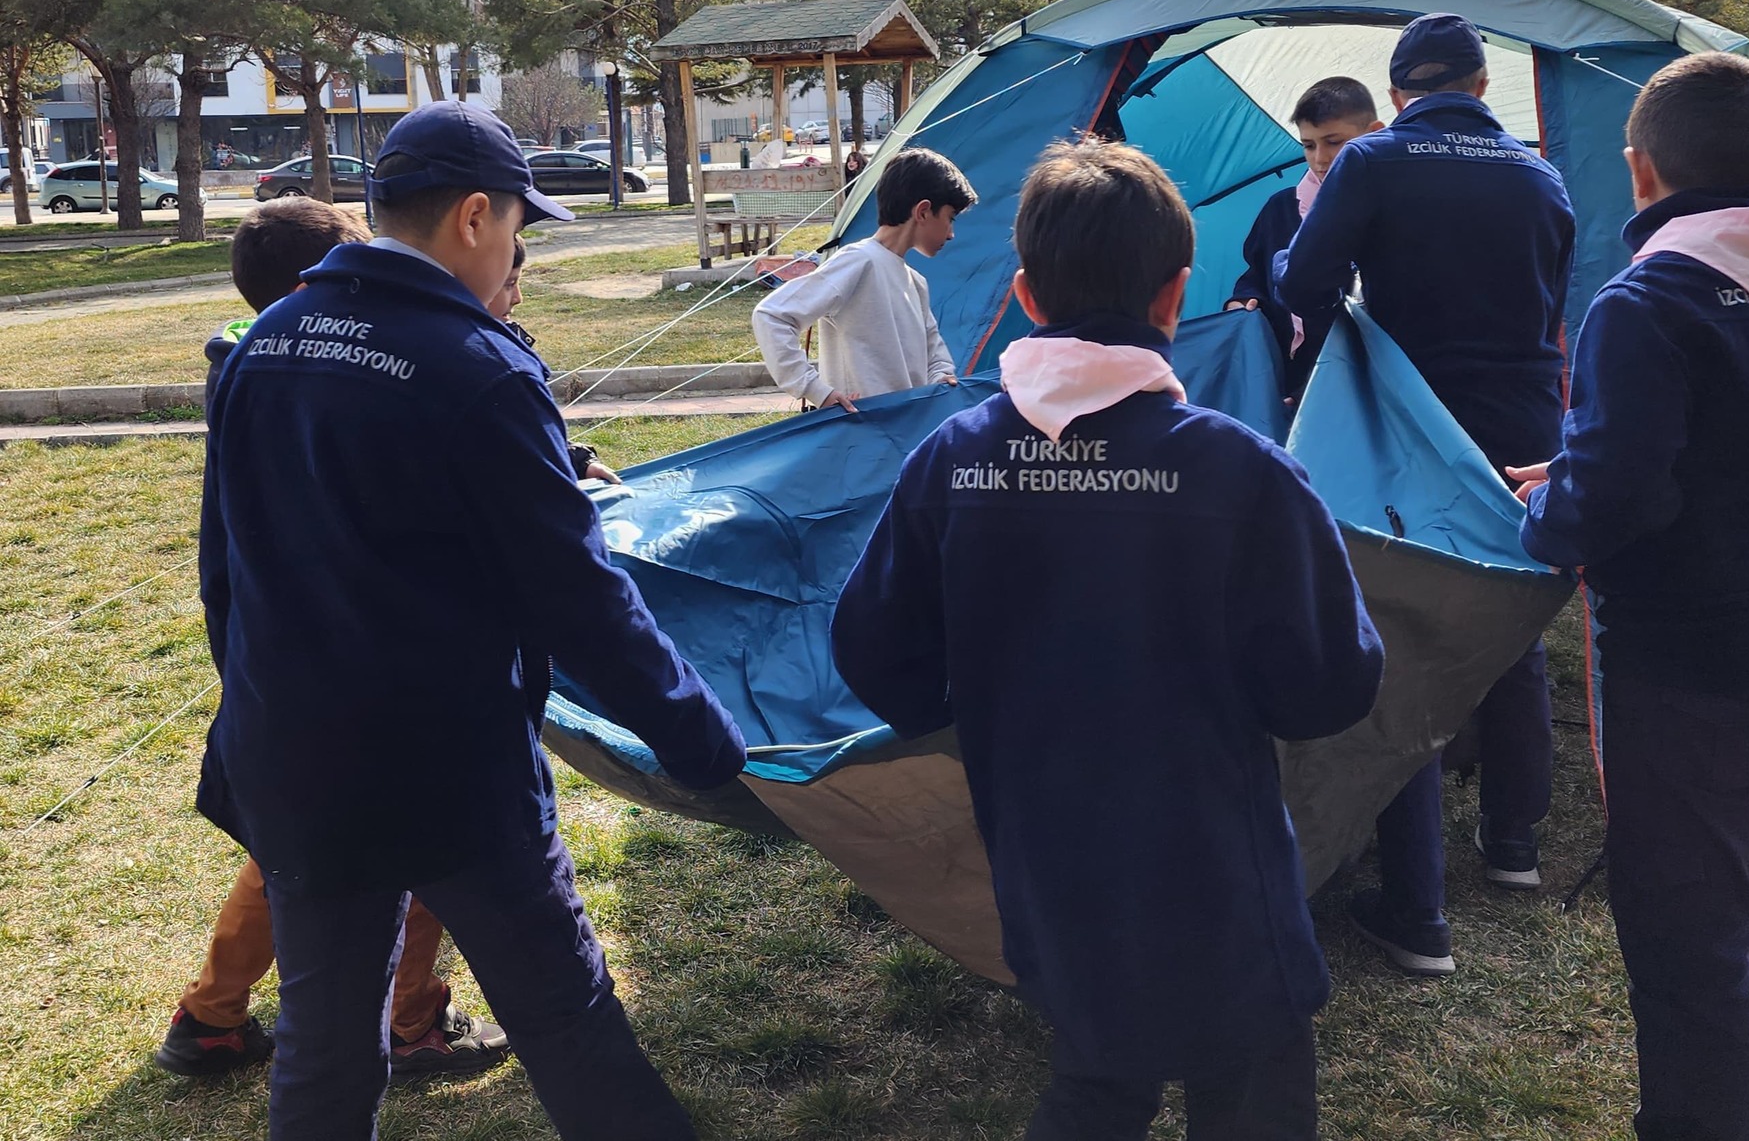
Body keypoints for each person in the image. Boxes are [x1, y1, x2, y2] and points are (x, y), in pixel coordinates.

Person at [199, 100, 747, 1139]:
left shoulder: (260, 341)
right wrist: (701, 740)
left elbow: (221, 571)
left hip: (295, 757)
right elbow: (578, 595)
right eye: (518, 231)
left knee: (321, 1043)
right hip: (451, 771)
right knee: (567, 1015)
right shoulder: (480, 369)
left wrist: (256, 716)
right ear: (474, 216)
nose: (516, 253)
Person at [833, 140, 1384, 1141]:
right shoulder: (1239, 472)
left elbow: (873, 649)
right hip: (1213, 859)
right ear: (1176, 295)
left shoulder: (950, 461)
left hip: (1042, 847)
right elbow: (1328, 684)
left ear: (1024, 295)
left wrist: (972, 711)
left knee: (1096, 1060)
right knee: (1253, 1075)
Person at [1512, 53, 1749, 1141]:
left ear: (1638, 173)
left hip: (1704, 661)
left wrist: (1544, 512)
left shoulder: (1643, 300)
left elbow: (1614, 500)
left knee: (1686, 918)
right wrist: (1580, 467)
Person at [160, 199, 508, 1084]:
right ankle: (411, 1018)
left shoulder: (249, 371)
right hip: (361, 678)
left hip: (282, 681)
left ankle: (211, 1015)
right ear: (323, 295)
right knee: (415, 841)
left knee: (290, 854)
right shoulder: (318, 376)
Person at [1275, 12, 1576, 976]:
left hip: (1414, 426)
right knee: (1510, 618)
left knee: (1400, 630)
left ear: (1399, 94)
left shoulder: (1371, 162)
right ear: (1484, 88)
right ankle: (1516, 843)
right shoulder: (1542, 174)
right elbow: (1552, 297)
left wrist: (1290, 271)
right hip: (1526, 424)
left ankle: (1417, 904)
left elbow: (1306, 282)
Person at [750, 147, 975, 413]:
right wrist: (818, 391)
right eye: (950, 219)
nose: (951, 234)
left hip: (904, 431)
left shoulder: (916, 283)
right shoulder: (859, 261)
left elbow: (935, 356)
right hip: (860, 437)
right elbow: (771, 315)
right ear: (923, 211)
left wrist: (941, 380)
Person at [1226, 77, 1383, 397]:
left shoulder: (1394, 208)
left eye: (1334, 142)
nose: (1320, 159)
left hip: (1370, 384)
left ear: (1374, 133)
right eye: (1308, 145)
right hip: (1291, 381)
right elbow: (1256, 276)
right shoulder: (1281, 209)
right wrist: (1242, 300)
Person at [489, 238, 621, 487]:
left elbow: (532, 430)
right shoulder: (485, 364)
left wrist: (581, 464)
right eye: (509, 284)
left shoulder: (509, 342)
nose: (518, 298)